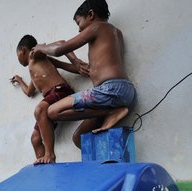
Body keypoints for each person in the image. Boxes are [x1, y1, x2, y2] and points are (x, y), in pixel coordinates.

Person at [33, 0, 136, 148]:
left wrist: (41, 48)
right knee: (79, 138)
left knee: (53, 111)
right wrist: (75, 64)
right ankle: (103, 160)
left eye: (79, 23)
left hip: (109, 90)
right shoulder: (115, 33)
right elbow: (99, 66)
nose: (79, 31)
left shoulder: (96, 27)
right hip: (124, 91)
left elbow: (58, 49)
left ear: (91, 15)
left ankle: (112, 111)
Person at [11, 34, 85, 164]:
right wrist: (19, 80)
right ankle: (46, 166)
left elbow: (62, 42)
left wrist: (77, 62)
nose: (18, 59)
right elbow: (29, 92)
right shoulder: (34, 68)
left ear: (23, 50)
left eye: (17, 55)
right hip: (51, 98)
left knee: (39, 110)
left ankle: (49, 155)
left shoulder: (35, 54)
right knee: (35, 139)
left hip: (60, 91)